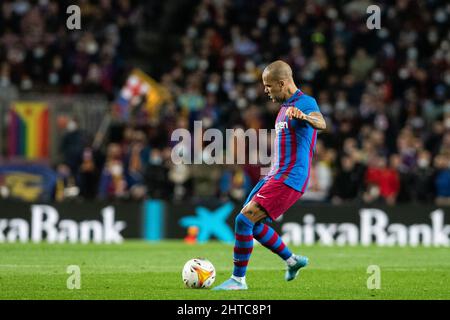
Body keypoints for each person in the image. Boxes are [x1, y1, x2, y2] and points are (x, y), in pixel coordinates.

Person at [213, 60, 326, 290]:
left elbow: (321, 122)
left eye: (268, 85)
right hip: (274, 175)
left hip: (290, 177)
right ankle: (292, 261)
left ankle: (238, 280)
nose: (265, 90)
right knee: (251, 225)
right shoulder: (284, 108)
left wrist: (305, 118)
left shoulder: (305, 103)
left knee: (243, 220)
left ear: (282, 83)